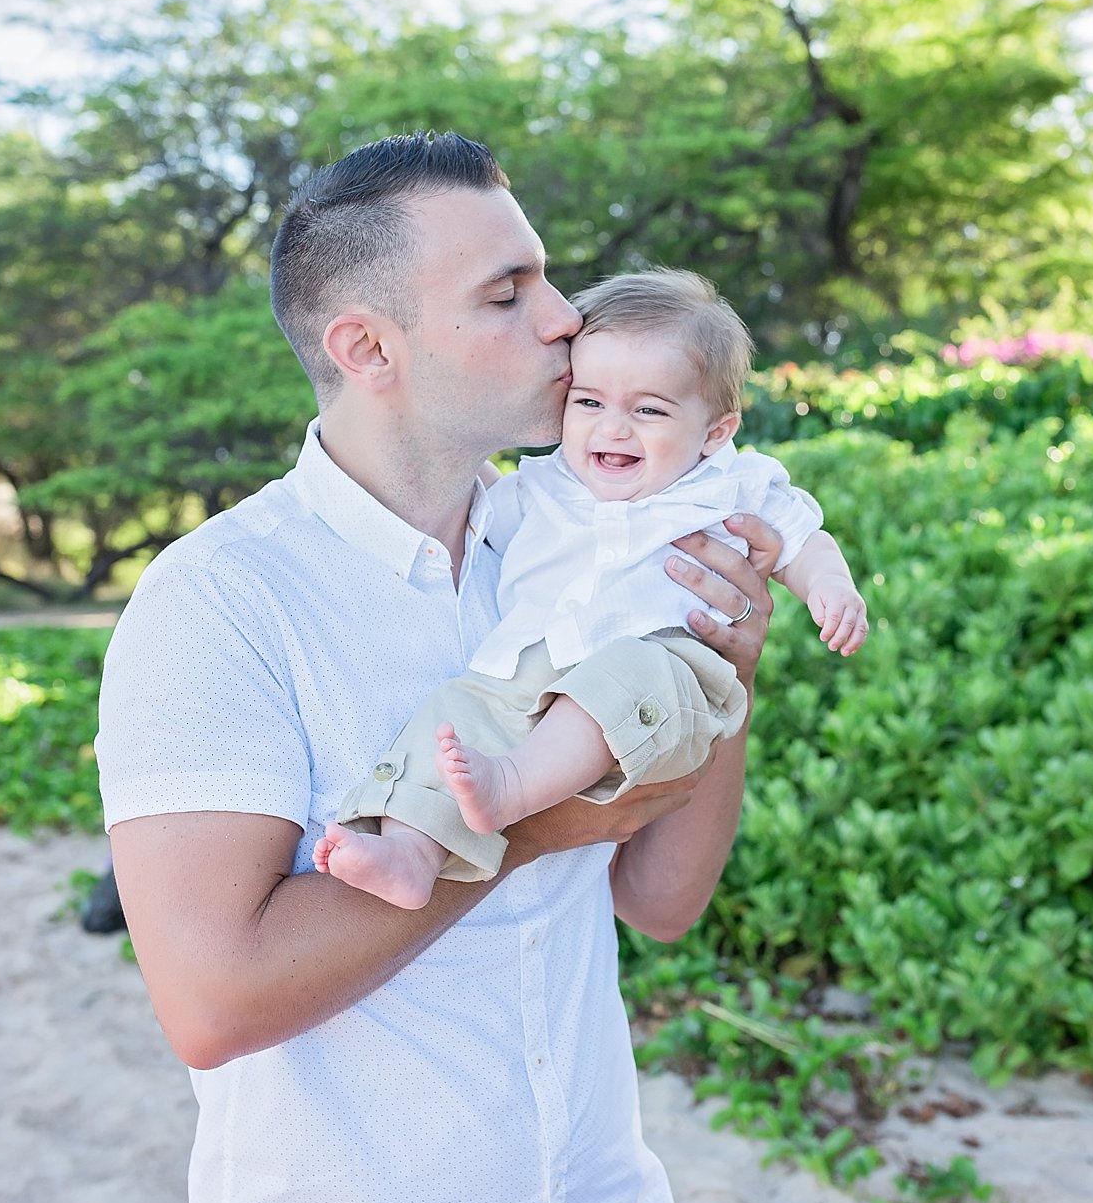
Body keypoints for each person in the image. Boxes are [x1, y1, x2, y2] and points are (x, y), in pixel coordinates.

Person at [95, 131, 785, 1203]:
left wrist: (715, 669)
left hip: (602, 1188)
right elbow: (212, 1000)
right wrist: (529, 827)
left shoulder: (576, 546)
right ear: (367, 347)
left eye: (546, 276)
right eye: (508, 293)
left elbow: (660, 900)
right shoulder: (219, 600)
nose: (563, 316)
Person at [314, 269, 868, 909]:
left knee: (618, 678)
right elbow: (474, 502)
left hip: (662, 666)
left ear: (715, 432)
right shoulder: (545, 483)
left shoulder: (730, 485)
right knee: (457, 708)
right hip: (534, 661)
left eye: (649, 409)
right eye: (590, 402)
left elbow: (803, 539)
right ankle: (411, 849)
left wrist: (831, 588)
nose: (613, 427)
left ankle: (511, 787)